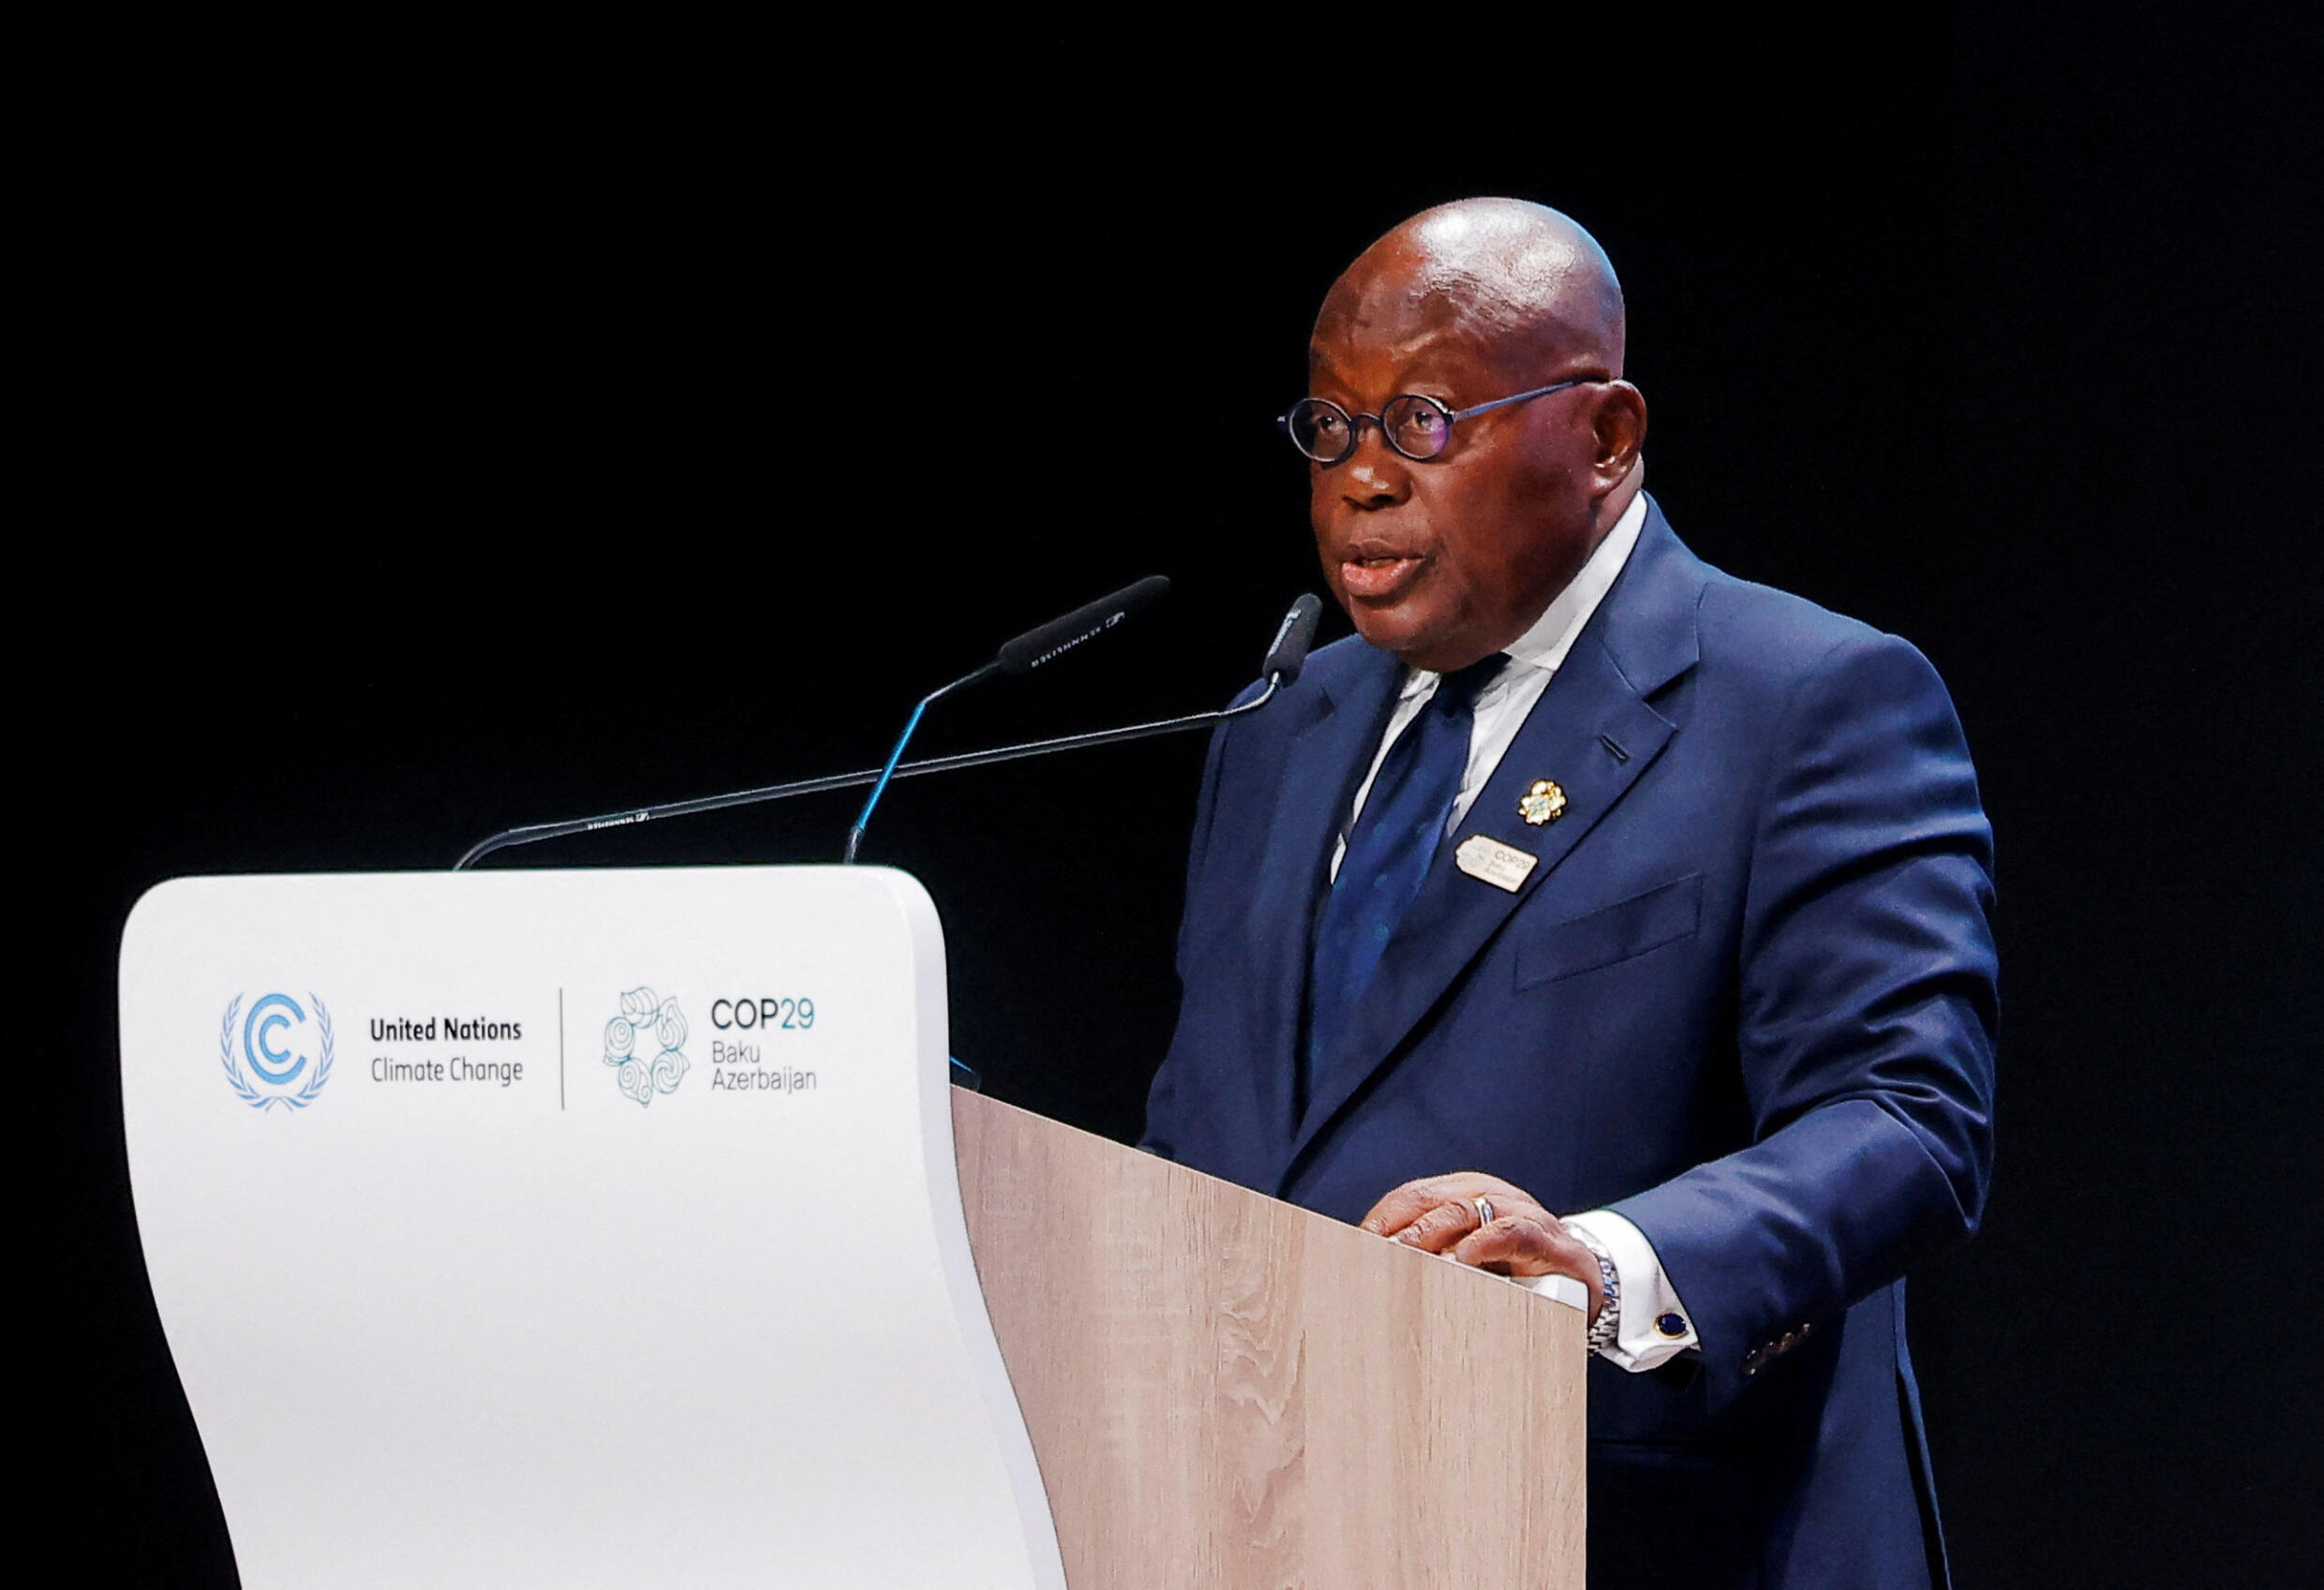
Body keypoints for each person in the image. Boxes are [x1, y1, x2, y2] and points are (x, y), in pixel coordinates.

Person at [1140, 198, 1997, 1589]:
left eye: (1421, 423)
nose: (1360, 480)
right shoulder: (1281, 724)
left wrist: (1600, 1269)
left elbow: (1905, 1121)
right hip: (1300, 1525)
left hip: (1652, 1526)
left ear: (1603, 436)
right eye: (1330, 428)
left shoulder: (1806, 700)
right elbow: (1213, 1134)